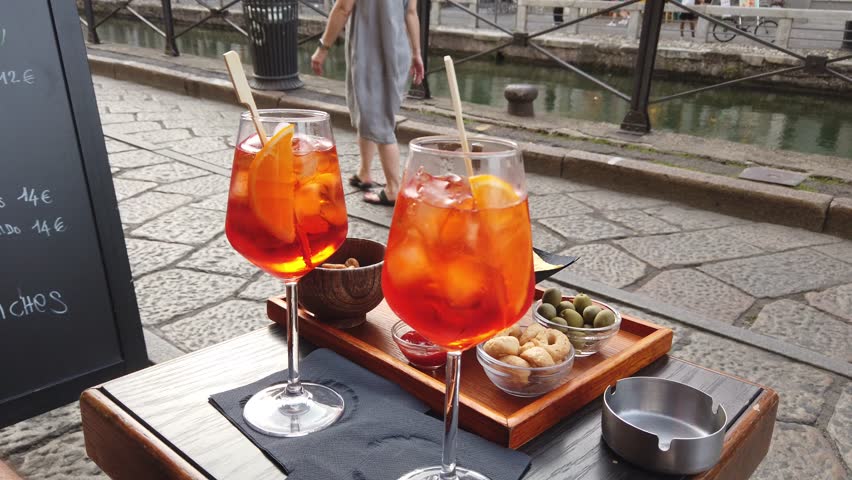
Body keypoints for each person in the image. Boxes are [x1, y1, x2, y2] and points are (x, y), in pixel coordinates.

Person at [311, 0, 425, 206]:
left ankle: (393, 189)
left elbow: (343, 8)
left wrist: (323, 47)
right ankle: (364, 173)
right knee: (368, 112)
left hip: (371, 52)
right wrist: (416, 53)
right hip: (397, 50)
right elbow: (411, 13)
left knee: (379, 121)